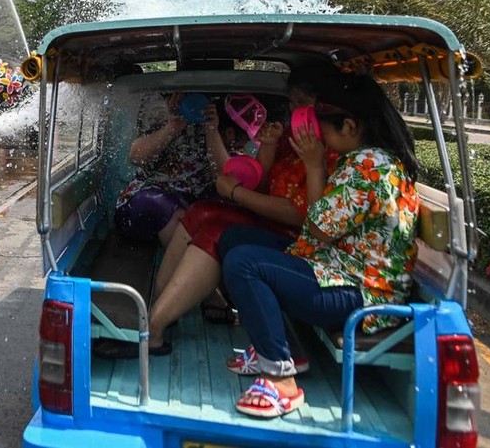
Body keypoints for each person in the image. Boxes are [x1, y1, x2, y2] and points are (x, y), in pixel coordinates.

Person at [103, 65, 340, 359]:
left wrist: (231, 178)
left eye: (300, 104)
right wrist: (268, 146)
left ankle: (154, 325)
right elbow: (264, 186)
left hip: (300, 240)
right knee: (202, 212)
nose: (294, 113)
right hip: (261, 223)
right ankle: (158, 309)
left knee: (215, 229)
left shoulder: (329, 152)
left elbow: (302, 216)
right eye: (291, 104)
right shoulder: (296, 141)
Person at [221, 72, 420, 419]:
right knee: (236, 238)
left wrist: (313, 165)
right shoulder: (366, 160)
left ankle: (281, 379)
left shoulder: (368, 168)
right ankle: (284, 350)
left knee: (244, 263)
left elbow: (315, 228)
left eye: (325, 131)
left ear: (349, 126)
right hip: (335, 268)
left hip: (361, 294)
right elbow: (320, 231)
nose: (322, 141)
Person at [112, 92, 217, 246]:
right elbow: (136, 156)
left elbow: (225, 173)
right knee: (159, 204)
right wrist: (174, 124)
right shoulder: (158, 106)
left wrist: (212, 128)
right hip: (153, 199)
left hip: (198, 197)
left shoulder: (221, 110)